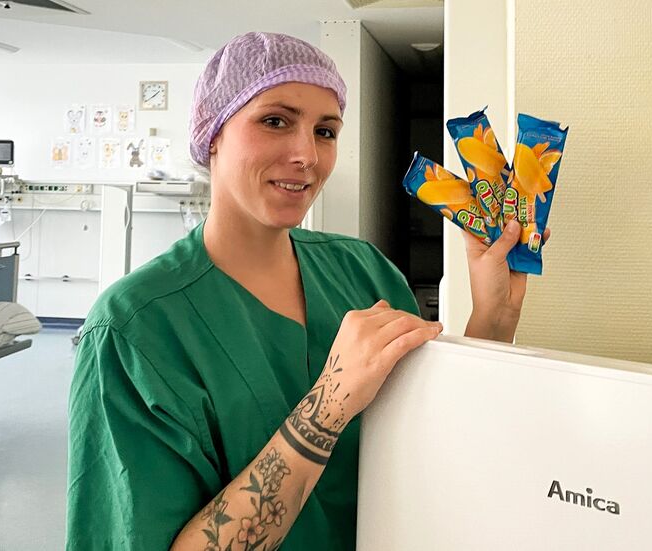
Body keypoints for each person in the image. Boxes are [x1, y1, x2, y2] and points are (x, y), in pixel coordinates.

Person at [66, 32, 541, 551]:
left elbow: (432, 444)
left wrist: (493, 314)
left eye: (326, 131)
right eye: (275, 121)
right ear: (213, 132)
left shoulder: (363, 271)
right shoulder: (136, 328)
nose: (307, 155)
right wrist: (329, 404)